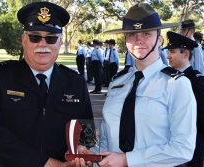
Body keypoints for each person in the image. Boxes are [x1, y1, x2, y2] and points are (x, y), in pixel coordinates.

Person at [0, 2, 94, 167]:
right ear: (24, 40)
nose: (43, 44)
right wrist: (45, 163)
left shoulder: (75, 82)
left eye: (51, 38)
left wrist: (81, 150)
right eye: (35, 37)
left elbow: (86, 131)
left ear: (60, 42)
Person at [81, 3, 197, 166]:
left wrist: (127, 160)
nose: (138, 40)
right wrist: (90, 156)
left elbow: (183, 148)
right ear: (126, 40)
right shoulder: (117, 82)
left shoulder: (176, 84)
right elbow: (106, 141)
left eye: (146, 33)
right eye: (132, 34)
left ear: (160, 40)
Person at [165, 31, 204, 167]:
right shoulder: (168, 77)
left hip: (192, 140)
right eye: (168, 52)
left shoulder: (196, 80)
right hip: (170, 141)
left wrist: (203, 141)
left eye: (172, 52)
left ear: (185, 54)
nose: (168, 56)